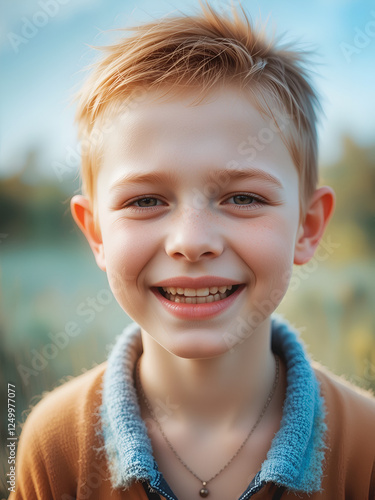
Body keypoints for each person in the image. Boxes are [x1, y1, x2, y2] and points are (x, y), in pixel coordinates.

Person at [10, 2, 375, 499]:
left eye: (243, 198)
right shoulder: (55, 447)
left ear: (307, 227)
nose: (192, 241)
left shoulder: (365, 447)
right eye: (145, 201)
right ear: (96, 233)